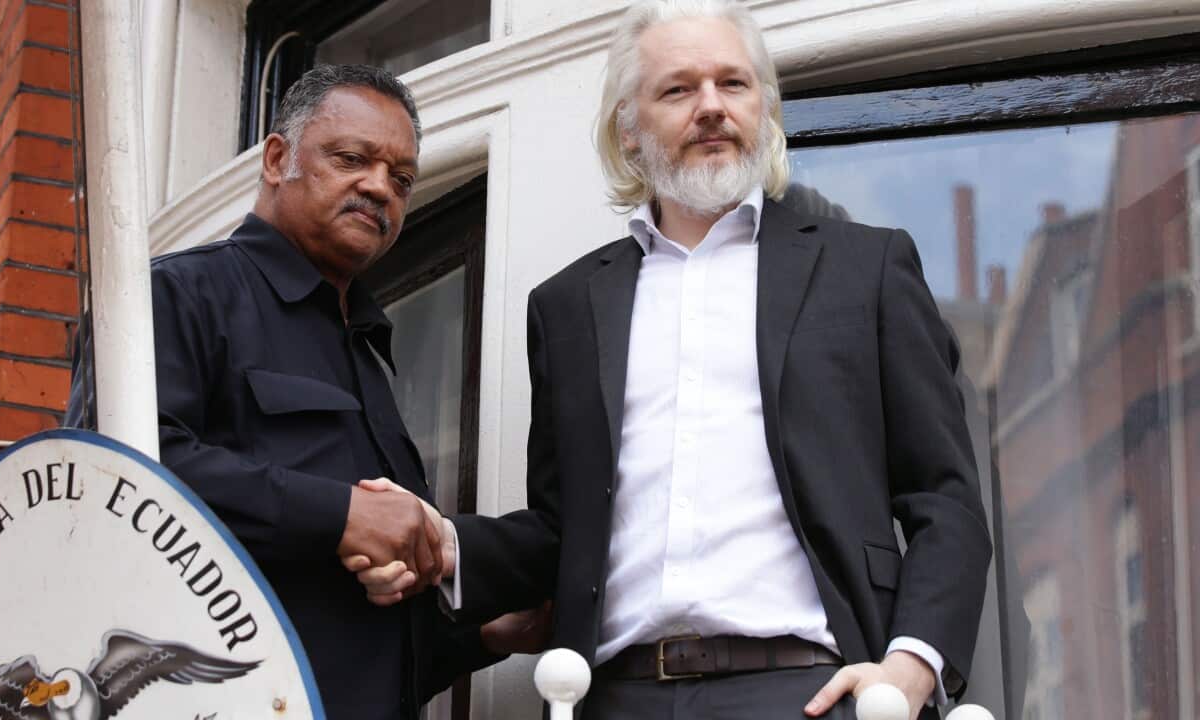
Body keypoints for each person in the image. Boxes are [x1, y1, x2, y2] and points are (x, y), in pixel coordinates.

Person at [351, 2, 992, 719]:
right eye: (679, 89)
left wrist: (910, 666)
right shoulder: (566, 307)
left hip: (810, 689)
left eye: (734, 84)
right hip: (615, 695)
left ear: (765, 108)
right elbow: (563, 529)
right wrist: (446, 545)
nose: (712, 107)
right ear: (630, 130)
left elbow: (945, 499)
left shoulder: (865, 268)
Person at [68, 64, 527, 719]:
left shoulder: (368, 348)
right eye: (351, 159)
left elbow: (353, 644)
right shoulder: (175, 295)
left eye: (401, 178)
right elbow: (113, 474)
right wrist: (338, 514)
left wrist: (484, 634)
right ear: (278, 159)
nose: (379, 187)